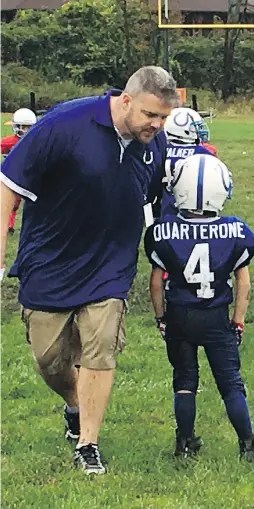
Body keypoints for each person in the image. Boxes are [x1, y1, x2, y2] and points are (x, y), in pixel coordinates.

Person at [0, 66, 180, 474]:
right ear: (127, 100)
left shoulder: (154, 143)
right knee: (49, 360)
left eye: (164, 117)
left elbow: (152, 199)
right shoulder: (64, 125)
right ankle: (74, 405)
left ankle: (88, 444)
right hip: (51, 259)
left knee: (100, 347)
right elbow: (7, 185)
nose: (157, 125)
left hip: (111, 263)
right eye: (151, 115)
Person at [144, 153, 254, 461]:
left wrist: (161, 318)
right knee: (230, 383)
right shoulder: (236, 231)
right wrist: (238, 320)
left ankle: (185, 443)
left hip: (179, 314)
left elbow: (155, 283)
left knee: (185, 381)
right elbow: (243, 283)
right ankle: (248, 444)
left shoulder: (162, 232)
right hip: (215, 317)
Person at [151, 107, 217, 220]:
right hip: (195, 211)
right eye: (195, 127)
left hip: (166, 209)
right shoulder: (202, 152)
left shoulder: (160, 150)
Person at [1, 108, 37, 233]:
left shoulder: (35, 142)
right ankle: (9, 225)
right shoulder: (7, 142)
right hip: (12, 174)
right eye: (23, 127)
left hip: (29, 174)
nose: (26, 130)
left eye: (29, 127)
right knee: (12, 202)